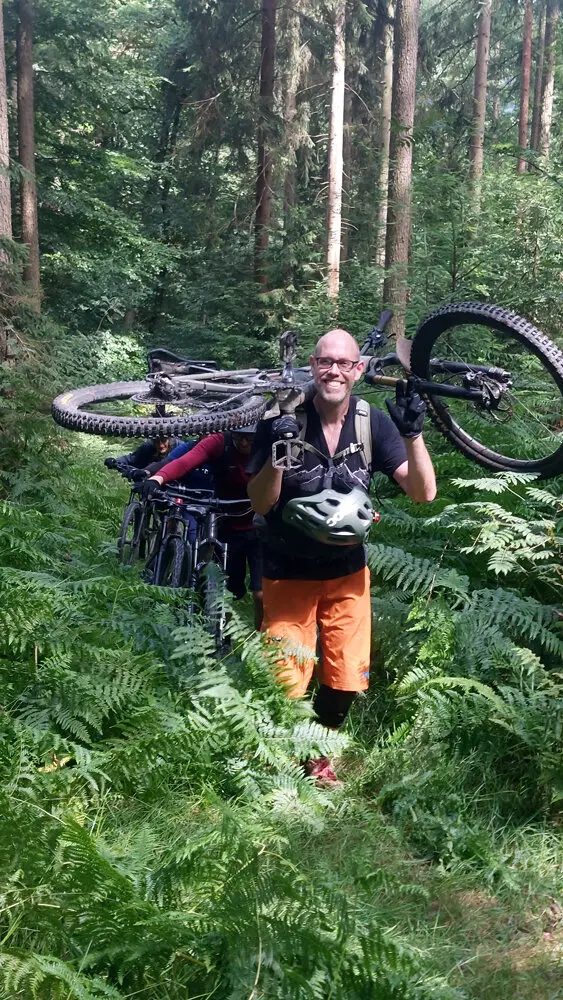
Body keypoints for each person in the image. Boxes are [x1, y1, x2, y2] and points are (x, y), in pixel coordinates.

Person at [246, 328, 436, 785]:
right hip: (286, 569)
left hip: (347, 572)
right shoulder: (282, 417)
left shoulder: (372, 423)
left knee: (347, 676)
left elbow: (423, 492)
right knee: (285, 678)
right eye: (325, 362)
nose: (334, 371)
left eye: (344, 363)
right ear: (312, 366)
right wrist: (279, 454)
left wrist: (413, 434)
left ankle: (316, 751)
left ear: (358, 370)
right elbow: (260, 503)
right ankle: (281, 756)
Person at [142, 426, 263, 629]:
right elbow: (185, 461)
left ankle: (262, 641)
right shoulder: (219, 442)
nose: (243, 442)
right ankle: (222, 633)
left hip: (261, 525)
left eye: (249, 438)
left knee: (261, 594)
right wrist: (158, 478)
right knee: (228, 590)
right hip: (225, 523)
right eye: (238, 437)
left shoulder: (267, 444)